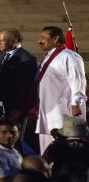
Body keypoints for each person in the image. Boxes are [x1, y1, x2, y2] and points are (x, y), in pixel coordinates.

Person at [35, 26, 86, 154]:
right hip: (47, 110)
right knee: (47, 149)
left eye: (43, 38)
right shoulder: (48, 57)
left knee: (64, 148)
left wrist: (76, 103)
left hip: (63, 110)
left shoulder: (69, 56)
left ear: (56, 38)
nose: (39, 41)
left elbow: (78, 80)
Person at [0, 28, 37, 121]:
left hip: (14, 108)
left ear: (14, 41)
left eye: (1, 41)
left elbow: (26, 87)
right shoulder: (1, 55)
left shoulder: (27, 58)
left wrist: (18, 109)